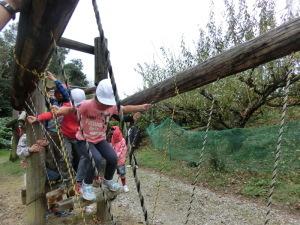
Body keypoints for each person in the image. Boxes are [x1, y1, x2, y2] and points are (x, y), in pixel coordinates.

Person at [57, 78, 151, 201]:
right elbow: (71, 109)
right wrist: (58, 111)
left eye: (108, 103)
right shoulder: (87, 105)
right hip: (84, 140)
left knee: (113, 157)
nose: (106, 106)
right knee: (95, 158)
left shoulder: (111, 107)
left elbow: (125, 108)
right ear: (97, 98)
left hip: (99, 139)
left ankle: (108, 180)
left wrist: (141, 107)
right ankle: (86, 185)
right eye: (104, 103)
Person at [110, 126, 129, 192]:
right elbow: (112, 146)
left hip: (120, 160)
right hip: (113, 159)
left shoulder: (122, 140)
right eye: (111, 131)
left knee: (122, 173)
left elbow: (123, 148)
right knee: (110, 173)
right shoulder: (112, 138)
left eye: (113, 130)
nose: (112, 132)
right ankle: (111, 186)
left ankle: (124, 186)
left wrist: (118, 155)